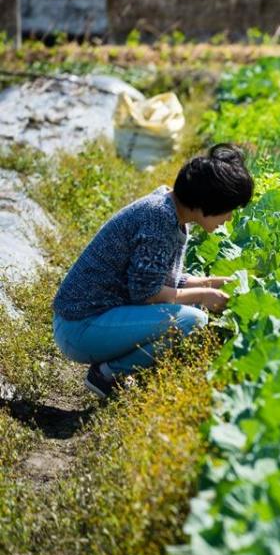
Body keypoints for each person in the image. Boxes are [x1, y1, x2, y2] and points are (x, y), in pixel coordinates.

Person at [52, 143, 254, 399]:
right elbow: (146, 292)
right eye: (229, 210)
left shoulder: (171, 212)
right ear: (208, 202)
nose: (229, 219)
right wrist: (203, 295)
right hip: (80, 326)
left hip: (94, 320)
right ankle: (106, 374)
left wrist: (213, 283)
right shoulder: (158, 218)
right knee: (192, 319)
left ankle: (112, 372)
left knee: (191, 311)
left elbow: (162, 278)